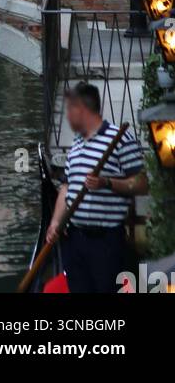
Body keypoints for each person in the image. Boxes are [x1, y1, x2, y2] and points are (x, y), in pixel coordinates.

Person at [46, 82, 147, 293]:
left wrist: (107, 182)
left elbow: (141, 184)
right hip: (74, 239)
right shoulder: (77, 143)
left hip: (106, 241)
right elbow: (66, 187)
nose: (67, 116)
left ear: (81, 110)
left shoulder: (120, 139)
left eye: (69, 110)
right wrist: (55, 222)